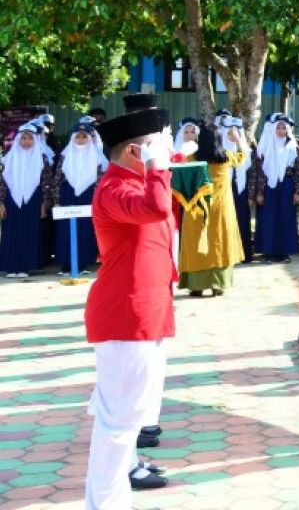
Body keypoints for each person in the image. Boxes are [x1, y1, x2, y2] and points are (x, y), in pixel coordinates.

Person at [85, 108, 175, 504]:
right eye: (156, 145)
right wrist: (158, 167)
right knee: (118, 423)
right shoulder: (116, 189)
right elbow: (157, 209)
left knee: (126, 417)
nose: (165, 152)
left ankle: (113, 493)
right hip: (126, 314)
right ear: (136, 151)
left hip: (146, 312)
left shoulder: (135, 183)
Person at [179, 126, 248, 297]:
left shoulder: (191, 160)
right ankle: (219, 284)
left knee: (197, 244)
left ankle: (196, 285)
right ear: (219, 140)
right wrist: (238, 140)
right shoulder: (227, 158)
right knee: (219, 243)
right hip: (220, 211)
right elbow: (243, 156)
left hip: (197, 210)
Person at [44, 122, 107, 274]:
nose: (80, 139)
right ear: (72, 138)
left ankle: (84, 263)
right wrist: (56, 201)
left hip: (88, 195)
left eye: (84, 136)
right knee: (65, 229)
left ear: (89, 138)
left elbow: (100, 180)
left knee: (86, 229)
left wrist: (98, 200)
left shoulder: (97, 157)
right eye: (77, 136)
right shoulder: (65, 155)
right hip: (68, 196)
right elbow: (57, 179)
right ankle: (66, 263)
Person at [0, 122, 54, 278]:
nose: (26, 141)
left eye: (30, 138)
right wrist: (1, 202)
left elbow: (46, 182)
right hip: (12, 199)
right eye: (23, 138)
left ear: (35, 140)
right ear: (17, 140)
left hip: (33, 199)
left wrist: (45, 203)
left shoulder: (42, 158)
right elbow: (2, 183)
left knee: (30, 232)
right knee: (12, 232)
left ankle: (26, 266)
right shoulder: (8, 159)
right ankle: (11, 267)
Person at [250, 113, 299, 263]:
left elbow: (298, 170)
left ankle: (283, 251)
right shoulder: (263, 147)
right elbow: (258, 172)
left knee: (285, 217)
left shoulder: (294, 145)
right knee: (269, 218)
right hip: (268, 187)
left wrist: (297, 191)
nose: (281, 131)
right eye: (278, 128)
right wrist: (259, 192)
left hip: (287, 185)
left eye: (284, 128)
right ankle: (269, 251)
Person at [219, 116, 254, 262]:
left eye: (236, 132)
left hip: (241, 189)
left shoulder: (244, 148)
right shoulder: (220, 150)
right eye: (230, 132)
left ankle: (244, 254)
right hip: (224, 188)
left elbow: (246, 162)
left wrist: (239, 141)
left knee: (242, 221)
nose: (233, 135)